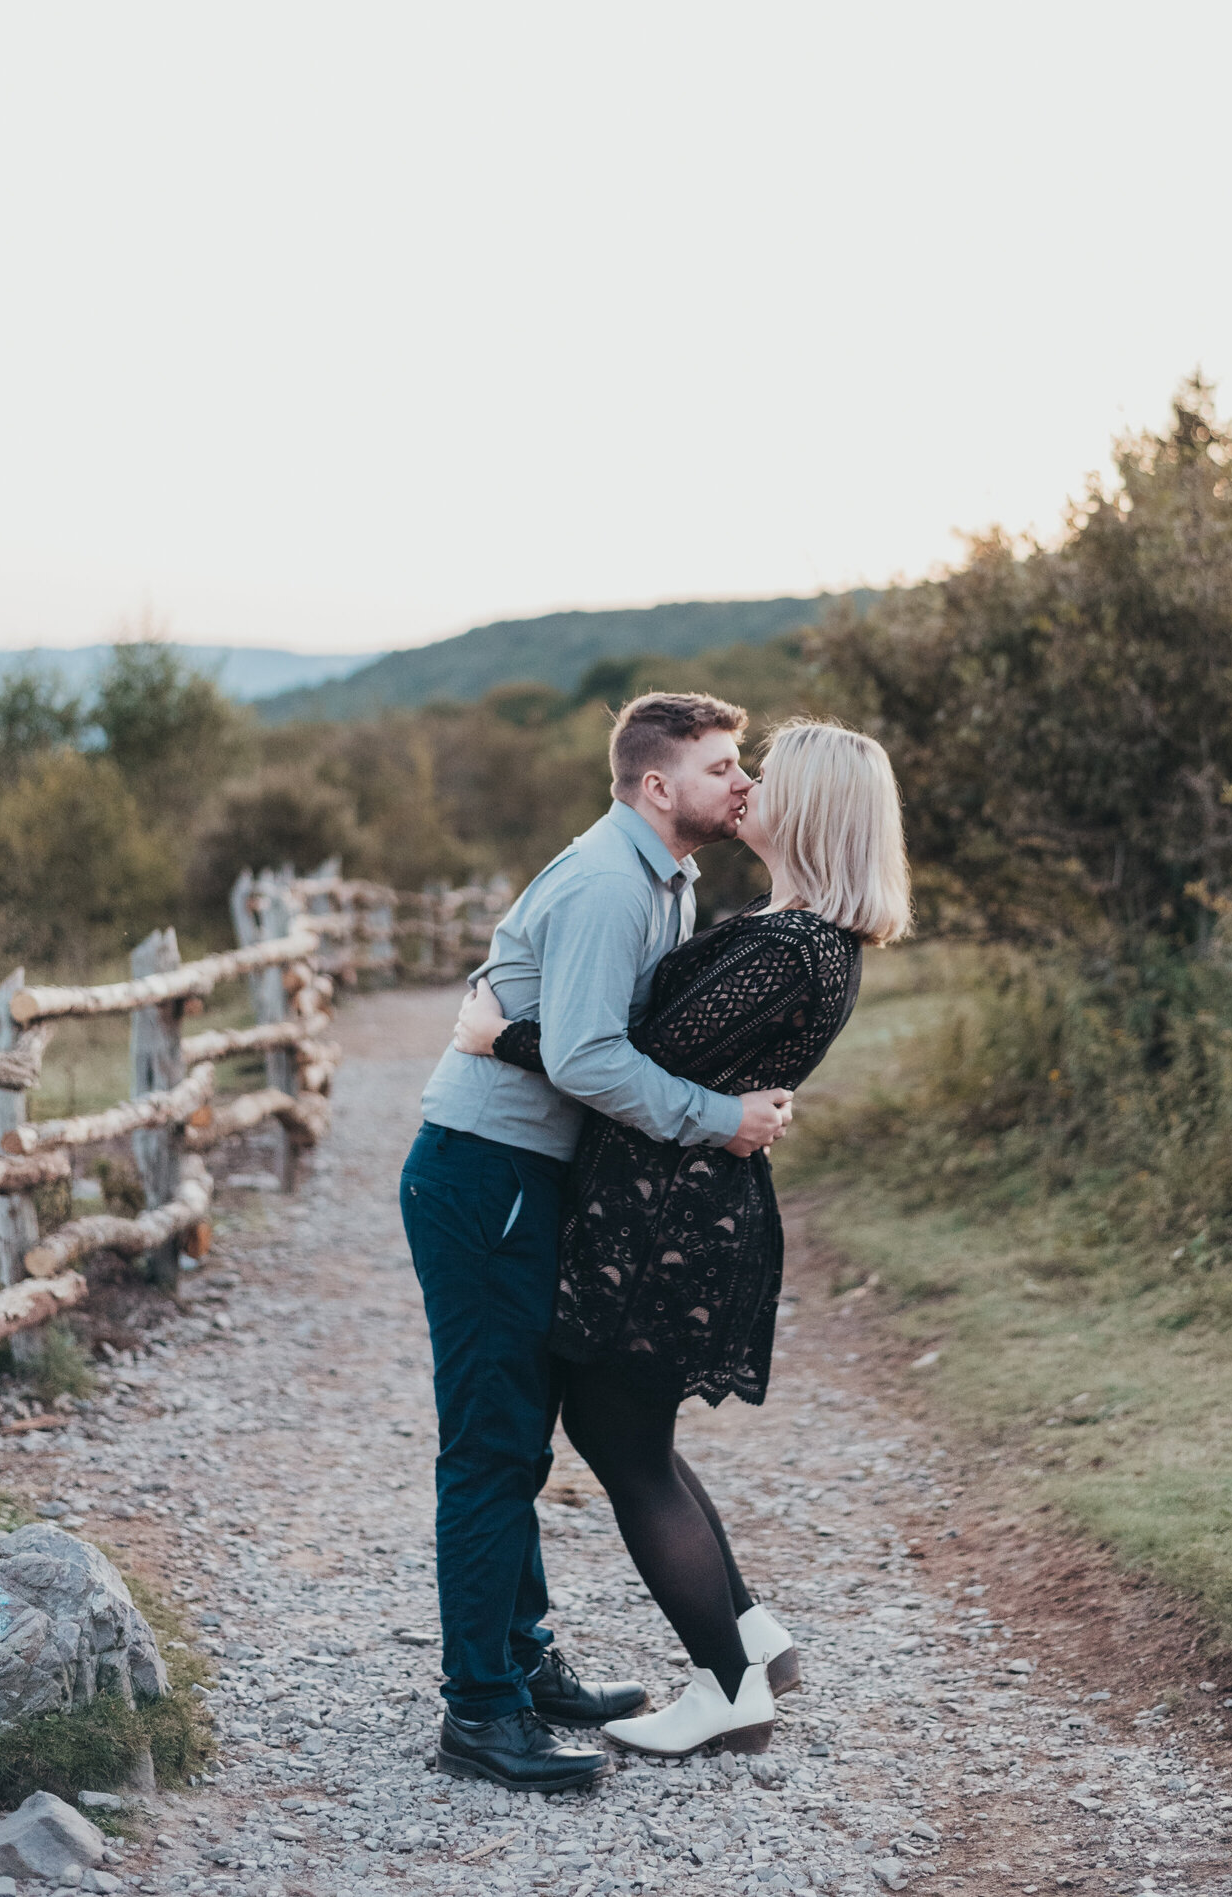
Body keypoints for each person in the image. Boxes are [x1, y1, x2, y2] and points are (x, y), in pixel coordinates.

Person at [452, 718, 911, 1758]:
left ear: (813, 811)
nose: (746, 789)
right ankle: (747, 1637)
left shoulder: (790, 947)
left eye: (766, 777)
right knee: (632, 1437)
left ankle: (725, 1686)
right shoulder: (788, 930)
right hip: (667, 1212)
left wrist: (498, 1035)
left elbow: (621, 1058)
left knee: (623, 1445)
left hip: (667, 1224)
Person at [400, 691, 796, 1794]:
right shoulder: (608, 883)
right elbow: (583, 1058)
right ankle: (479, 1712)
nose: (743, 785)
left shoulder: (662, 877)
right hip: (488, 1176)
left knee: (520, 1437)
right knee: (492, 1449)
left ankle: (523, 1666)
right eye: (724, 767)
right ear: (658, 785)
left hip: (528, 1178)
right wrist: (720, 1121)